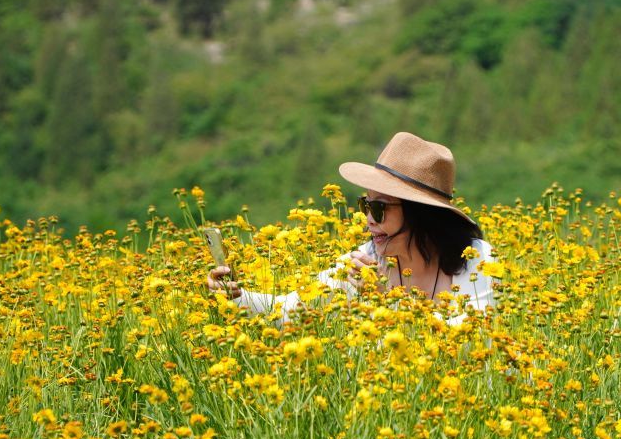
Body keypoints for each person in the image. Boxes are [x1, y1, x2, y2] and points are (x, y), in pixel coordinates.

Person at [207, 131, 498, 327]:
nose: (368, 220)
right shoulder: (365, 260)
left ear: (420, 214)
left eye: (379, 208)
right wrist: (235, 295)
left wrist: (385, 300)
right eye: (365, 205)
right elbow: (290, 309)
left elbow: (474, 340)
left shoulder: (476, 258)